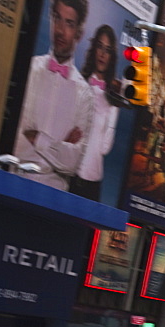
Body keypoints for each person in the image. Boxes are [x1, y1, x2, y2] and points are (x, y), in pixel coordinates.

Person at [13, 0, 94, 191]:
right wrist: (59, 146)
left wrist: (37, 138)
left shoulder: (85, 94)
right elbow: (14, 140)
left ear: (79, 34)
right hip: (11, 179)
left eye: (69, 23)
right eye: (57, 18)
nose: (60, 30)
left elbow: (72, 163)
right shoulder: (29, 69)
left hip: (53, 195)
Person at [70, 24, 118, 201]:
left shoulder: (112, 97)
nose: (103, 54)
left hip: (93, 182)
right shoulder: (78, 83)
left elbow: (105, 147)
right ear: (94, 49)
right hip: (69, 174)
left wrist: (113, 108)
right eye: (99, 46)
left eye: (108, 49)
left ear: (112, 56)